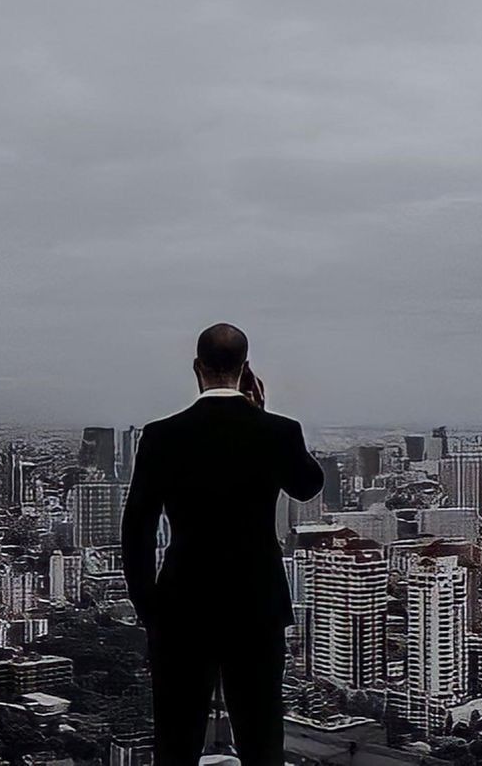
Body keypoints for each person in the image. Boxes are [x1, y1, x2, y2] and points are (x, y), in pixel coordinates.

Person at [121, 323, 324, 765]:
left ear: (197, 369)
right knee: (261, 739)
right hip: (257, 606)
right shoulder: (278, 431)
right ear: (246, 370)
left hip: (181, 606)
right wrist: (264, 412)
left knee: (176, 742)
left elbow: (136, 529)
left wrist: (148, 609)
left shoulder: (162, 435)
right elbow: (309, 485)